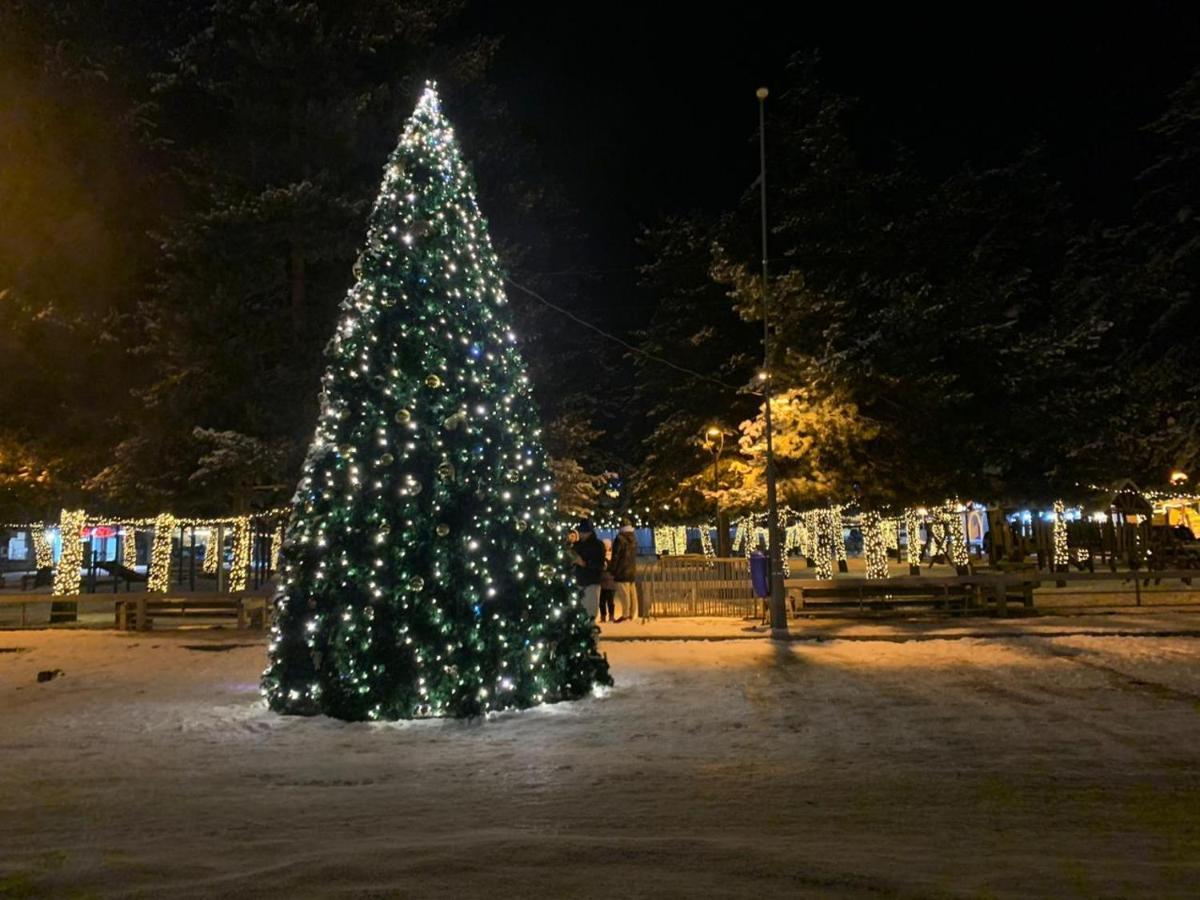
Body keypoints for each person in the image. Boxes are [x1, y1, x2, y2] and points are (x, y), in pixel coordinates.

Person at [571, 519, 605, 620]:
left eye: (582, 532)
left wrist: (583, 563)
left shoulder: (597, 545)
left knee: (590, 611)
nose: (580, 534)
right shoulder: (578, 545)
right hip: (580, 580)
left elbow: (598, 565)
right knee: (584, 611)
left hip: (591, 582)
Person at [609, 518, 640, 623]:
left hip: (621, 570)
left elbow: (616, 556)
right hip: (631, 569)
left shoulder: (620, 539)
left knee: (624, 594)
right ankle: (632, 613)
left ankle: (625, 614)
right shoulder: (633, 538)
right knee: (632, 593)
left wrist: (612, 569)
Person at [598, 538, 616, 623]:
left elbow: (601, 568)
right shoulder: (614, 556)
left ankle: (603, 616)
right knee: (610, 601)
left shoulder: (602, 557)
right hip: (612, 581)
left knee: (602, 601)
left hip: (603, 581)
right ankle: (611, 616)